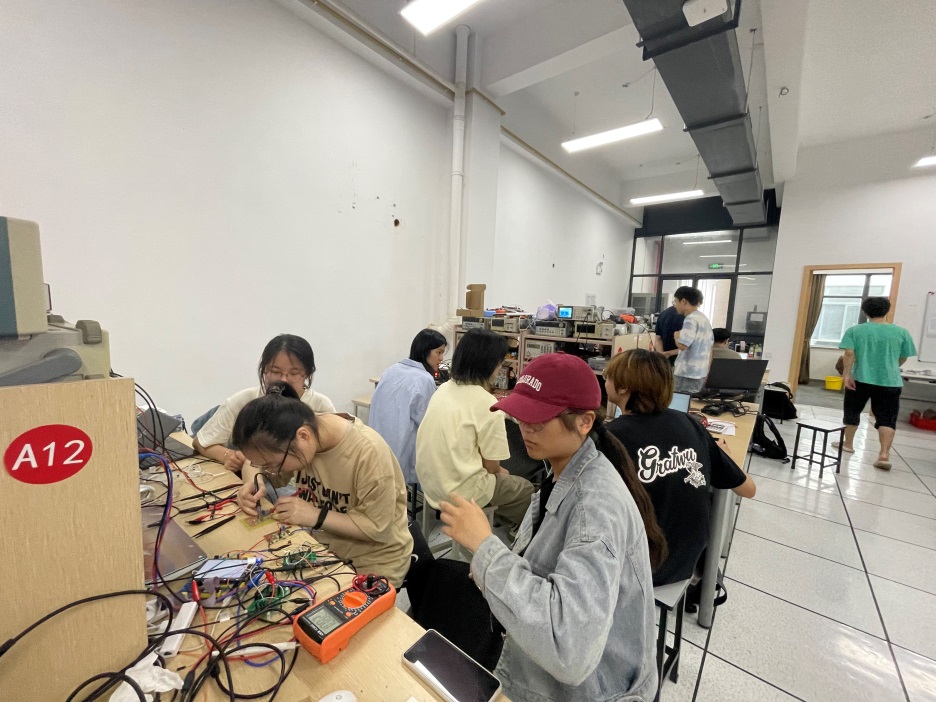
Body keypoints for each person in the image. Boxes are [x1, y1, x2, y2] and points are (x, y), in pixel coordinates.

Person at [438, 353, 666, 702]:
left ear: (584, 422)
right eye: (521, 416)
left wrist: (486, 548)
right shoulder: (563, 470)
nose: (525, 428)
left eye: (539, 420)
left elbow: (569, 648)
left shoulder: (595, 512)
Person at [233, 382, 413, 586]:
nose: (271, 471)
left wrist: (314, 515)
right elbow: (252, 462)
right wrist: (252, 482)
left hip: (372, 562)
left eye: (272, 465)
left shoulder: (368, 454)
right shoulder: (299, 434)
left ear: (303, 436)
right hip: (321, 548)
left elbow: (375, 528)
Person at [604, 349, 755, 586]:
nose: (604, 380)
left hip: (639, 571)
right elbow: (748, 489)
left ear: (623, 388)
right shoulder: (688, 423)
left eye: (607, 376)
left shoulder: (610, 437)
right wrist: (723, 457)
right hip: (687, 562)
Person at [416, 328, 534, 527]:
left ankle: (493, 519)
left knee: (501, 479)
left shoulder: (443, 389)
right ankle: (513, 533)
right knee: (525, 489)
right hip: (462, 492)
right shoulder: (488, 403)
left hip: (431, 486)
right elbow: (492, 468)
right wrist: (503, 474)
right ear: (491, 365)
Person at [194, 334, 335, 473]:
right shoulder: (245, 401)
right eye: (275, 371)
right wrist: (229, 456)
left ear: (307, 374)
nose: (283, 380)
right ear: (264, 370)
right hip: (255, 475)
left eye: (293, 373)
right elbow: (201, 442)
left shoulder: (321, 406)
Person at [838, 297, 917, 470]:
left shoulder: (855, 330)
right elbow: (903, 357)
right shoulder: (901, 332)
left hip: (859, 379)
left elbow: (849, 354)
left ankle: (848, 444)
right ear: (887, 310)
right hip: (890, 381)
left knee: (852, 410)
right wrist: (891, 367)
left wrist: (847, 375)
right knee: (887, 418)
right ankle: (884, 454)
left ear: (865, 312)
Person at [369, 329, 448, 485]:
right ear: (425, 351)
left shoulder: (392, 370)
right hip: (401, 450)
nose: (441, 358)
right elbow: (426, 421)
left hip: (376, 447)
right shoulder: (424, 379)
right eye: (438, 352)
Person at [672, 286, 714, 395]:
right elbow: (710, 348)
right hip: (700, 372)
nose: (675, 305)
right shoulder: (704, 319)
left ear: (684, 301)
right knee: (692, 402)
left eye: (675, 301)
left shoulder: (690, 319)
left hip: (686, 373)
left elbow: (682, 345)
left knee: (680, 401)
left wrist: (676, 336)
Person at [654, 300, 685, 365]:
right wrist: (669, 353)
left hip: (664, 361)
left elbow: (658, 339)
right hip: (680, 362)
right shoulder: (687, 317)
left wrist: (662, 355)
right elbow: (688, 346)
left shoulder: (663, 313)